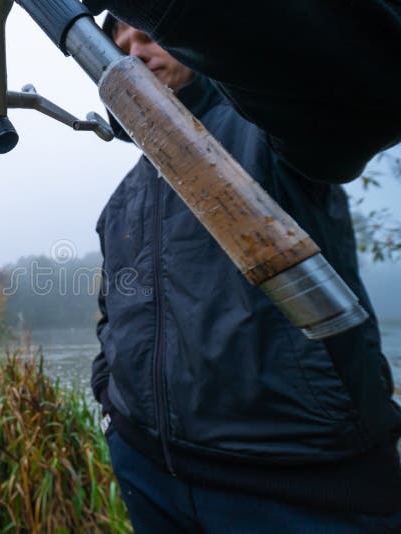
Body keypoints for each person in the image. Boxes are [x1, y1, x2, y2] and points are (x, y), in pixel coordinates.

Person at [89, 8, 401, 533]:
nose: (134, 52)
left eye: (148, 35)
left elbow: (370, 86)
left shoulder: (277, 130)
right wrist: (111, 411)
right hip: (147, 472)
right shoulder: (120, 202)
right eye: (120, 46)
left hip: (302, 488)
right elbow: (110, 315)